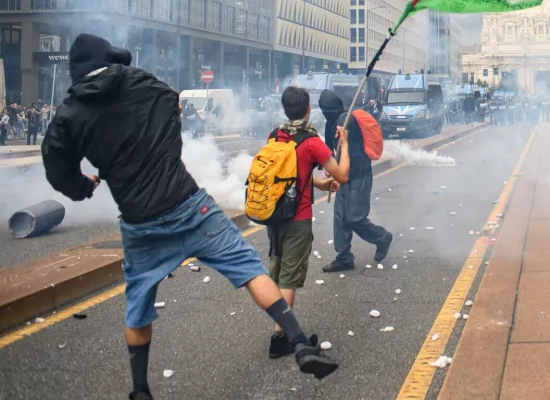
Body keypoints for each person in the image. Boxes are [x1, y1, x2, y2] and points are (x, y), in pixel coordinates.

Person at [42, 34, 338, 400]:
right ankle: (299, 343)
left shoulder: (70, 112)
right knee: (249, 268)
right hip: (189, 206)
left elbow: (57, 169)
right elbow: (172, 103)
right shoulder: (141, 82)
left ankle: (139, 389)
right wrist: (163, 152)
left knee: (138, 302)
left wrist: (83, 186)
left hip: (139, 222)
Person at [266, 86, 349, 358]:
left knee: (278, 275)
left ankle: (282, 327)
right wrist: (344, 144)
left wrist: (320, 184)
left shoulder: (274, 136)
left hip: (273, 215)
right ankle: (282, 338)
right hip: (297, 218)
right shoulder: (312, 142)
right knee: (289, 279)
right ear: (309, 109)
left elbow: (286, 175)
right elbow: (343, 174)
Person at [319, 91, 393, 273]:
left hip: (358, 175)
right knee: (340, 218)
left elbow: (346, 147)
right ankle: (344, 257)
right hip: (342, 176)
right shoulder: (332, 122)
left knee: (354, 218)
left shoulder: (346, 121)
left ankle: (382, 237)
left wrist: (341, 140)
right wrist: (330, 165)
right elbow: (331, 148)